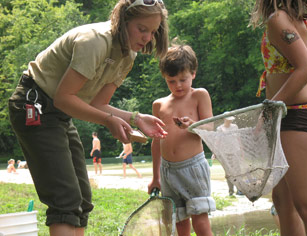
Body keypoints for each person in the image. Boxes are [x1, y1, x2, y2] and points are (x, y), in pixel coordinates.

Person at [8, 0, 168, 235]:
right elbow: (64, 98)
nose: (147, 37)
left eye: (153, 31)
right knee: (65, 200)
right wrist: (107, 121)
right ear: (123, 21)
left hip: (59, 112)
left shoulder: (127, 55)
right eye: (141, 29)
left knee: (82, 198)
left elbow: (98, 104)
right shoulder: (95, 41)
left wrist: (136, 118)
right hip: (35, 104)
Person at [250, 1, 307, 235]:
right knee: (283, 203)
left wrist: (270, 107)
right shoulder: (305, 25)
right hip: (293, 115)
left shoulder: (278, 19)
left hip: (295, 116)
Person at [148, 44, 216, 236]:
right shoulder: (159, 105)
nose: (178, 85)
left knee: (200, 222)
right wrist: (156, 176)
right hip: (168, 171)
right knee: (178, 221)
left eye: (183, 79)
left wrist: (192, 125)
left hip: (192, 168)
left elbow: (209, 128)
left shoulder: (199, 95)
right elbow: (156, 142)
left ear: (193, 73)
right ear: (164, 78)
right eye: (171, 81)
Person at [211, 116, 243, 196]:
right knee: (228, 173)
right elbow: (217, 141)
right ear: (225, 119)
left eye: (231, 120)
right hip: (225, 153)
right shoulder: (220, 129)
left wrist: (241, 150)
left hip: (235, 151)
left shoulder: (235, 127)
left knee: (237, 171)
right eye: (228, 120)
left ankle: (239, 190)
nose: (230, 121)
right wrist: (214, 153)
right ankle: (231, 191)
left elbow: (238, 138)